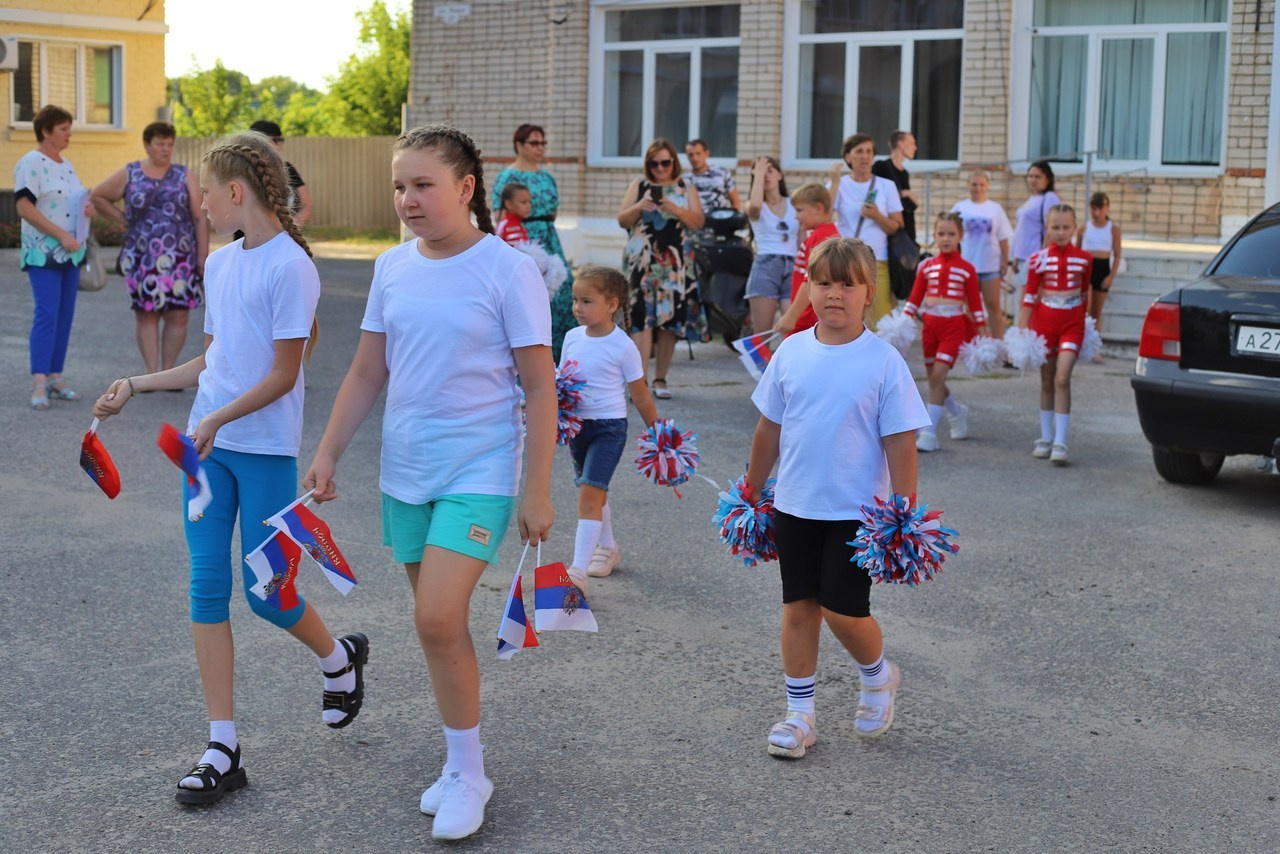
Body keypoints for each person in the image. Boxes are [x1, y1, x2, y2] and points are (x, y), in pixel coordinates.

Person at [90, 131, 368, 806]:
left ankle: (339, 659)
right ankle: (222, 746)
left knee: (267, 595)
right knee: (206, 589)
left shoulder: (290, 268)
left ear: (236, 192)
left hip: (264, 449)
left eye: (207, 194)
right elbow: (212, 361)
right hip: (205, 451)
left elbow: (283, 373)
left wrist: (217, 420)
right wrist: (139, 383)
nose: (202, 207)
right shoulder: (219, 261)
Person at [303, 126, 556, 841]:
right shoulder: (392, 268)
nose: (407, 200)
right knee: (436, 629)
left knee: (438, 618)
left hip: (478, 470)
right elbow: (365, 372)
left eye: (423, 185)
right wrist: (327, 453)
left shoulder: (508, 271)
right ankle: (460, 762)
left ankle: (471, 776)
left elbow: (541, 389)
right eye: (399, 186)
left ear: (466, 189)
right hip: (405, 470)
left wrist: (537, 490)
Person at [745, 237, 929, 759]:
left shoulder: (884, 362)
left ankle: (878, 675)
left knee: (844, 611)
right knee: (799, 609)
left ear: (868, 292)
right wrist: (751, 486)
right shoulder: (791, 352)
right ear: (808, 287)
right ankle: (799, 715)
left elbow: (901, 441)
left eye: (847, 284)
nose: (834, 294)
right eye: (823, 282)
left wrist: (904, 511)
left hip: (858, 512)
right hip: (795, 504)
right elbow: (768, 428)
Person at [559, 264, 658, 593]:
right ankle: (609, 548)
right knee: (592, 491)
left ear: (612, 304)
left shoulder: (623, 346)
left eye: (586, 301)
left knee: (590, 492)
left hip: (609, 429)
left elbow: (640, 395)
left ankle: (577, 572)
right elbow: (562, 382)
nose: (578, 308)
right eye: (575, 300)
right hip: (577, 427)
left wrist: (658, 432)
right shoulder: (572, 338)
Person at [91, 121, 209, 375]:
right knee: (146, 314)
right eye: (160, 144)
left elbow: (200, 217)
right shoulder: (131, 172)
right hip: (142, 257)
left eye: (169, 144)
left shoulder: (183, 174)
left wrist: (202, 255)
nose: (165, 149)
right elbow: (98, 196)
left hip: (180, 258)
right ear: (147, 145)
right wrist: (123, 221)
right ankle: (151, 372)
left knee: (178, 314)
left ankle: (167, 371)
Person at [14, 105, 95, 410]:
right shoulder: (31, 162)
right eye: (63, 128)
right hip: (43, 252)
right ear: (46, 131)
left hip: (71, 254)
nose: (69, 133)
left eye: (69, 127)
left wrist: (87, 209)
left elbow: (72, 199)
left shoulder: (68, 164)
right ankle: (38, 382)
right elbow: (24, 207)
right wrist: (60, 234)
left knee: (64, 316)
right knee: (46, 314)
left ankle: (55, 376)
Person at [617, 138, 705, 400]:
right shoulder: (640, 185)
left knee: (669, 322)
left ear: (673, 162)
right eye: (654, 164)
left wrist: (676, 209)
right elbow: (622, 219)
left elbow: (699, 222)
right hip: (641, 264)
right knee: (641, 320)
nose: (660, 168)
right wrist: (638, 207)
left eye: (665, 162)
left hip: (674, 265)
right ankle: (639, 382)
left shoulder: (685, 186)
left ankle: (660, 378)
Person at [903, 214, 987, 453]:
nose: (946, 238)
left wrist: (983, 337)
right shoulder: (925, 266)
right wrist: (899, 326)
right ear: (934, 235)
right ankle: (956, 412)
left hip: (954, 327)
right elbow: (914, 300)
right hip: (930, 327)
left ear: (960, 236)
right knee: (934, 380)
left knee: (938, 376)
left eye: (951, 234)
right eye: (941, 234)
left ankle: (929, 433)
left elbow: (976, 307)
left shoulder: (968, 270)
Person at [1017, 204, 1092, 466]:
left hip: (1073, 323)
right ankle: (1046, 437)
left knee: (1062, 378)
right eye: (1055, 227)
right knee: (1047, 380)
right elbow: (1029, 295)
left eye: (1066, 227)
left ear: (1074, 228)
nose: (1060, 232)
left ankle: (1061, 440)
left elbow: (1084, 295)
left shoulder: (1085, 259)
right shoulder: (1037, 259)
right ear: (1047, 228)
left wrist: (1087, 321)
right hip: (1044, 324)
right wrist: (1023, 328)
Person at [491, 124, 574, 357]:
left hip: (549, 237)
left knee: (562, 294)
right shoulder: (508, 176)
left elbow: (554, 209)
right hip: (523, 240)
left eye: (543, 143)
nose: (541, 148)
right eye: (534, 143)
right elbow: (500, 214)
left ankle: (558, 360)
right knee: (529, 298)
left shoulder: (547, 176)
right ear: (519, 145)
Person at [828, 133, 903, 327]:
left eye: (869, 151)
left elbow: (897, 227)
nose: (865, 156)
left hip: (877, 260)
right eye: (859, 151)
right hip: (845, 259)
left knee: (879, 319)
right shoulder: (840, 184)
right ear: (848, 157)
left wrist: (877, 216)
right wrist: (834, 182)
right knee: (846, 316)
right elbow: (825, 218)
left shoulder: (886, 186)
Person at [950, 171, 1013, 339]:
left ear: (988, 186)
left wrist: (1005, 261)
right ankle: (974, 340)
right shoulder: (960, 207)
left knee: (993, 305)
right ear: (968, 186)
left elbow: (1004, 237)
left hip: (989, 265)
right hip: (967, 265)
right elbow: (950, 233)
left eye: (981, 184)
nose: (978, 188)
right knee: (970, 306)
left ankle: (998, 342)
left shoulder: (995, 208)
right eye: (974, 184)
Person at [774, 183, 839, 337]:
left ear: (818, 208)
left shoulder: (822, 239)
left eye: (799, 210)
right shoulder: (818, 234)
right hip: (805, 318)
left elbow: (809, 282)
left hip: (806, 321)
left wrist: (791, 316)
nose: (796, 216)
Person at [744, 156, 798, 335]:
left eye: (769, 170)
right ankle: (762, 364)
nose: (765, 175)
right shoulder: (753, 204)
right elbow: (755, 208)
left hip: (792, 264)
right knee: (762, 333)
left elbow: (802, 238)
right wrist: (758, 175)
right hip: (766, 265)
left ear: (780, 175)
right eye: (760, 172)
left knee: (793, 329)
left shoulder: (794, 203)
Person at [1078, 191, 1122, 359]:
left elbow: (1117, 255)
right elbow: (1077, 249)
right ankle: (1081, 343)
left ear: (1106, 209)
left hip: (1102, 268)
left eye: (1099, 209)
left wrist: (1110, 276)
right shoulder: (1084, 227)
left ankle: (1094, 347)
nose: (1096, 213)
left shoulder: (1113, 229)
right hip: (1087, 267)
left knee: (1096, 311)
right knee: (1085, 308)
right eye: (1093, 209)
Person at [248, 120, 311, 227]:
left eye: (279, 140)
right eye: (273, 140)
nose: (278, 145)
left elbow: (307, 205)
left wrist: (293, 225)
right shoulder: (241, 170)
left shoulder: (287, 169)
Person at [1009, 160, 1062, 278]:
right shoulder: (1032, 198)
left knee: (1030, 295)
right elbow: (1022, 230)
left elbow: (1051, 229)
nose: (1033, 180)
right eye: (1030, 176)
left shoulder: (1049, 198)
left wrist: (1043, 257)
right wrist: (1016, 256)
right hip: (1023, 258)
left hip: (1036, 258)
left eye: (1037, 177)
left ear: (1047, 179)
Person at [871, 130, 919, 242]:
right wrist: (903, 193)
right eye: (912, 143)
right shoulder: (881, 166)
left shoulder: (904, 172)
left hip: (906, 229)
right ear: (900, 144)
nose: (915, 148)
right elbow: (872, 192)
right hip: (887, 229)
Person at [684, 138, 741, 213]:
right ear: (687, 156)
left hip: (721, 219)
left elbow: (735, 202)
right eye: (691, 155)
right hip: (696, 221)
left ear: (706, 153)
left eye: (698, 153)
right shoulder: (684, 179)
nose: (695, 158)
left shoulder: (722, 172)